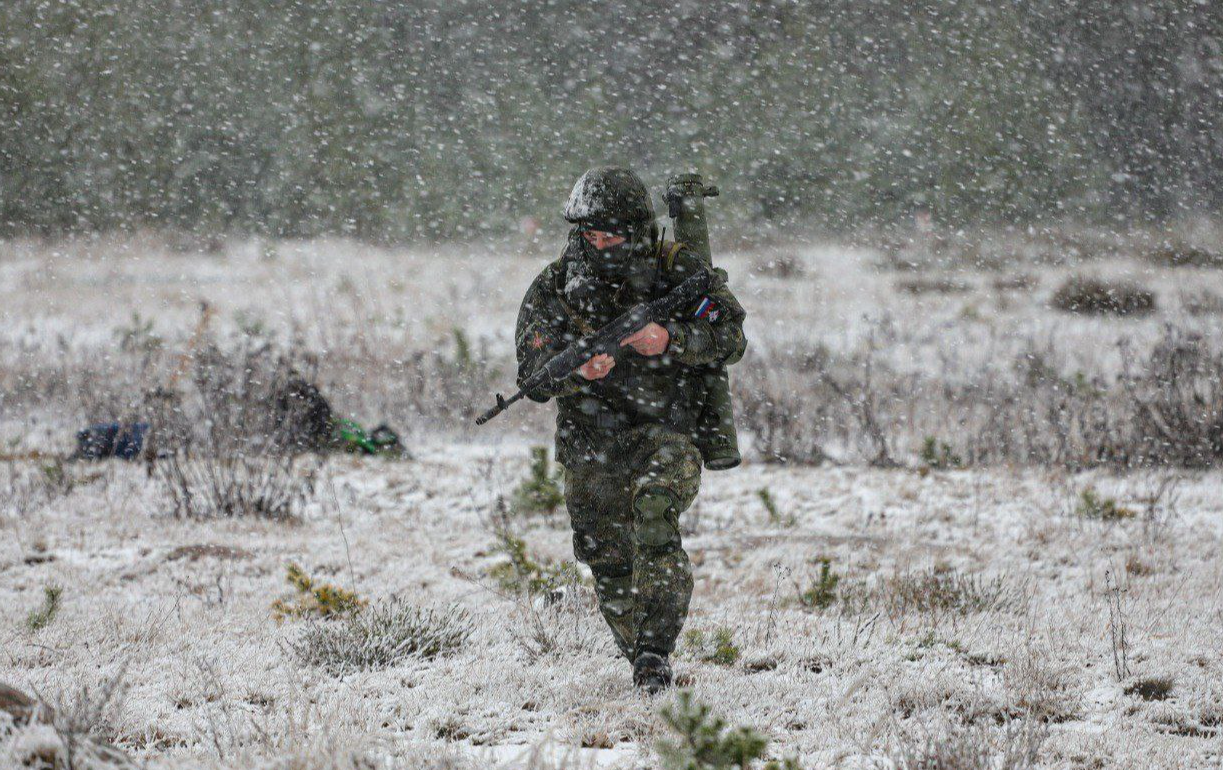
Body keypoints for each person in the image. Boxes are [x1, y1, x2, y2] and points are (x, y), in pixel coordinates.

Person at [514, 167, 747, 693]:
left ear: (636, 228)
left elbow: (730, 337)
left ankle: (655, 649)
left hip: (669, 427)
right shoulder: (555, 285)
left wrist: (671, 338)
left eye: (611, 236)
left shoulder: (678, 272)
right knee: (604, 552)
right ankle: (638, 656)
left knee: (654, 512)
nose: (600, 246)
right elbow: (531, 375)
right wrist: (575, 372)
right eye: (590, 236)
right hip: (590, 438)